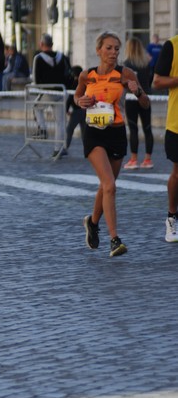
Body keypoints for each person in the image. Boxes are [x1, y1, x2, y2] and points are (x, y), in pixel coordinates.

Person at [74, 30, 149, 257]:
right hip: (94, 134)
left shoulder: (125, 73)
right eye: (109, 48)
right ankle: (115, 240)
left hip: (116, 133)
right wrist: (81, 101)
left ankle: (93, 222)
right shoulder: (86, 75)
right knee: (110, 185)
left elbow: (145, 104)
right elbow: (77, 97)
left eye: (117, 48)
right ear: (98, 50)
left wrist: (137, 92)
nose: (113, 52)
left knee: (106, 186)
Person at [153, 33, 178, 243]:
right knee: (177, 174)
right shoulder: (172, 46)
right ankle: (171, 217)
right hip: (177, 123)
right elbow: (157, 81)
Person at [32, 33, 72, 156]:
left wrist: (38, 90)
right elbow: (68, 74)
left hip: (47, 92)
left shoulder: (38, 58)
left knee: (36, 107)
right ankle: (58, 149)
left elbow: (36, 79)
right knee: (60, 122)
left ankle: (42, 129)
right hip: (61, 91)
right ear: (52, 44)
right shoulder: (63, 57)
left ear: (41, 44)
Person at [123, 37, 154, 170]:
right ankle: (148, 159)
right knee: (147, 128)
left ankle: (134, 159)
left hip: (131, 98)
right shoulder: (146, 63)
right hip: (145, 97)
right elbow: (150, 78)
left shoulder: (126, 63)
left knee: (133, 128)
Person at [65, 65, 85, 153]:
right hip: (85, 111)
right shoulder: (84, 83)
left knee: (69, 130)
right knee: (84, 132)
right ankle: (88, 149)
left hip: (77, 111)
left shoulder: (75, 83)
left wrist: (66, 109)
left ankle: (65, 148)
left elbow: (70, 98)